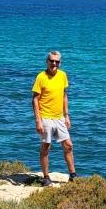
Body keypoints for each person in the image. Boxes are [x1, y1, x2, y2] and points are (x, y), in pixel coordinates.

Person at [32, 50, 77, 186]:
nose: (54, 64)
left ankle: (73, 175)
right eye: (51, 61)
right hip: (45, 117)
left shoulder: (63, 75)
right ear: (47, 61)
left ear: (60, 63)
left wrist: (67, 116)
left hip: (59, 118)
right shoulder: (41, 77)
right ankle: (46, 177)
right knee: (46, 147)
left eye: (57, 61)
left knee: (68, 146)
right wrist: (38, 121)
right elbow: (35, 99)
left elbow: (64, 96)